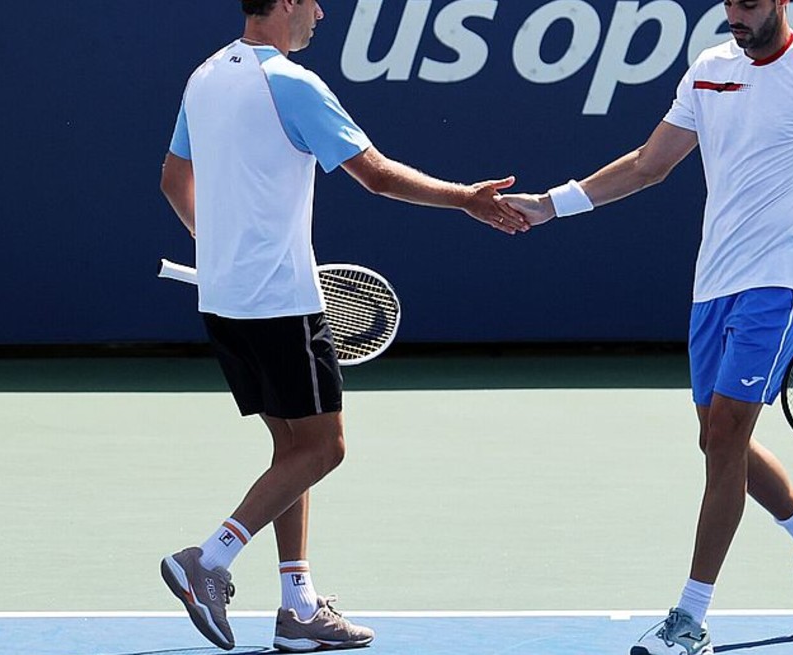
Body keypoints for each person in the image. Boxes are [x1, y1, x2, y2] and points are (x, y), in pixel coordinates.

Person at [502, 1, 793, 653]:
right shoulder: (709, 69)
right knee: (716, 439)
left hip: (780, 282)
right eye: (729, 3)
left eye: (748, 3)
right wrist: (552, 205)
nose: (734, 15)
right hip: (712, 284)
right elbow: (648, 164)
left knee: (724, 436)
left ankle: (689, 617)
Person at [157, 0, 527, 651]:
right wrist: (464, 198)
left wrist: (214, 243)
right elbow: (376, 176)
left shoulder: (205, 76)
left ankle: (298, 608)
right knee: (324, 448)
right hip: (280, 302)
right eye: (313, 2)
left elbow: (172, 179)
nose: (322, 13)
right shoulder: (292, 83)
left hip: (223, 299)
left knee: (292, 451)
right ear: (287, 2)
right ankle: (209, 560)